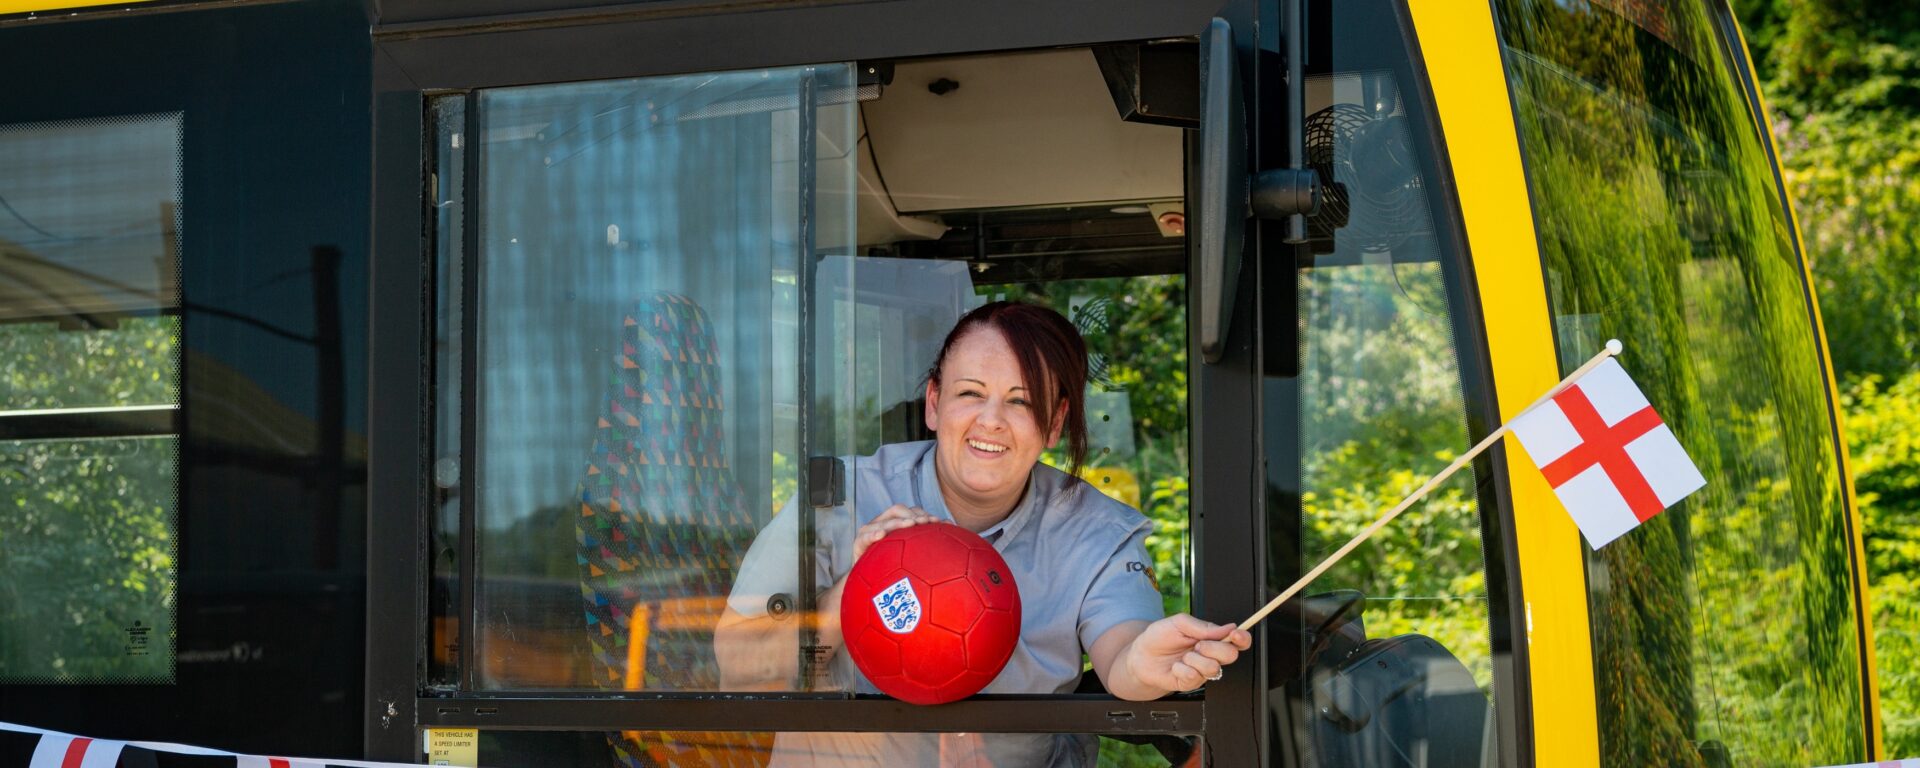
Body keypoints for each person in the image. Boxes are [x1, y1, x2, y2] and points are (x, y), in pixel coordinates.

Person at [714, 301, 1251, 766]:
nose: (991, 420)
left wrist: (1146, 664)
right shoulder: (838, 498)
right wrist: (852, 593)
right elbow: (739, 669)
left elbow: (1124, 656)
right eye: (971, 392)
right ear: (933, 403)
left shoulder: (1095, 530)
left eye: (1021, 400)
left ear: (1056, 422)